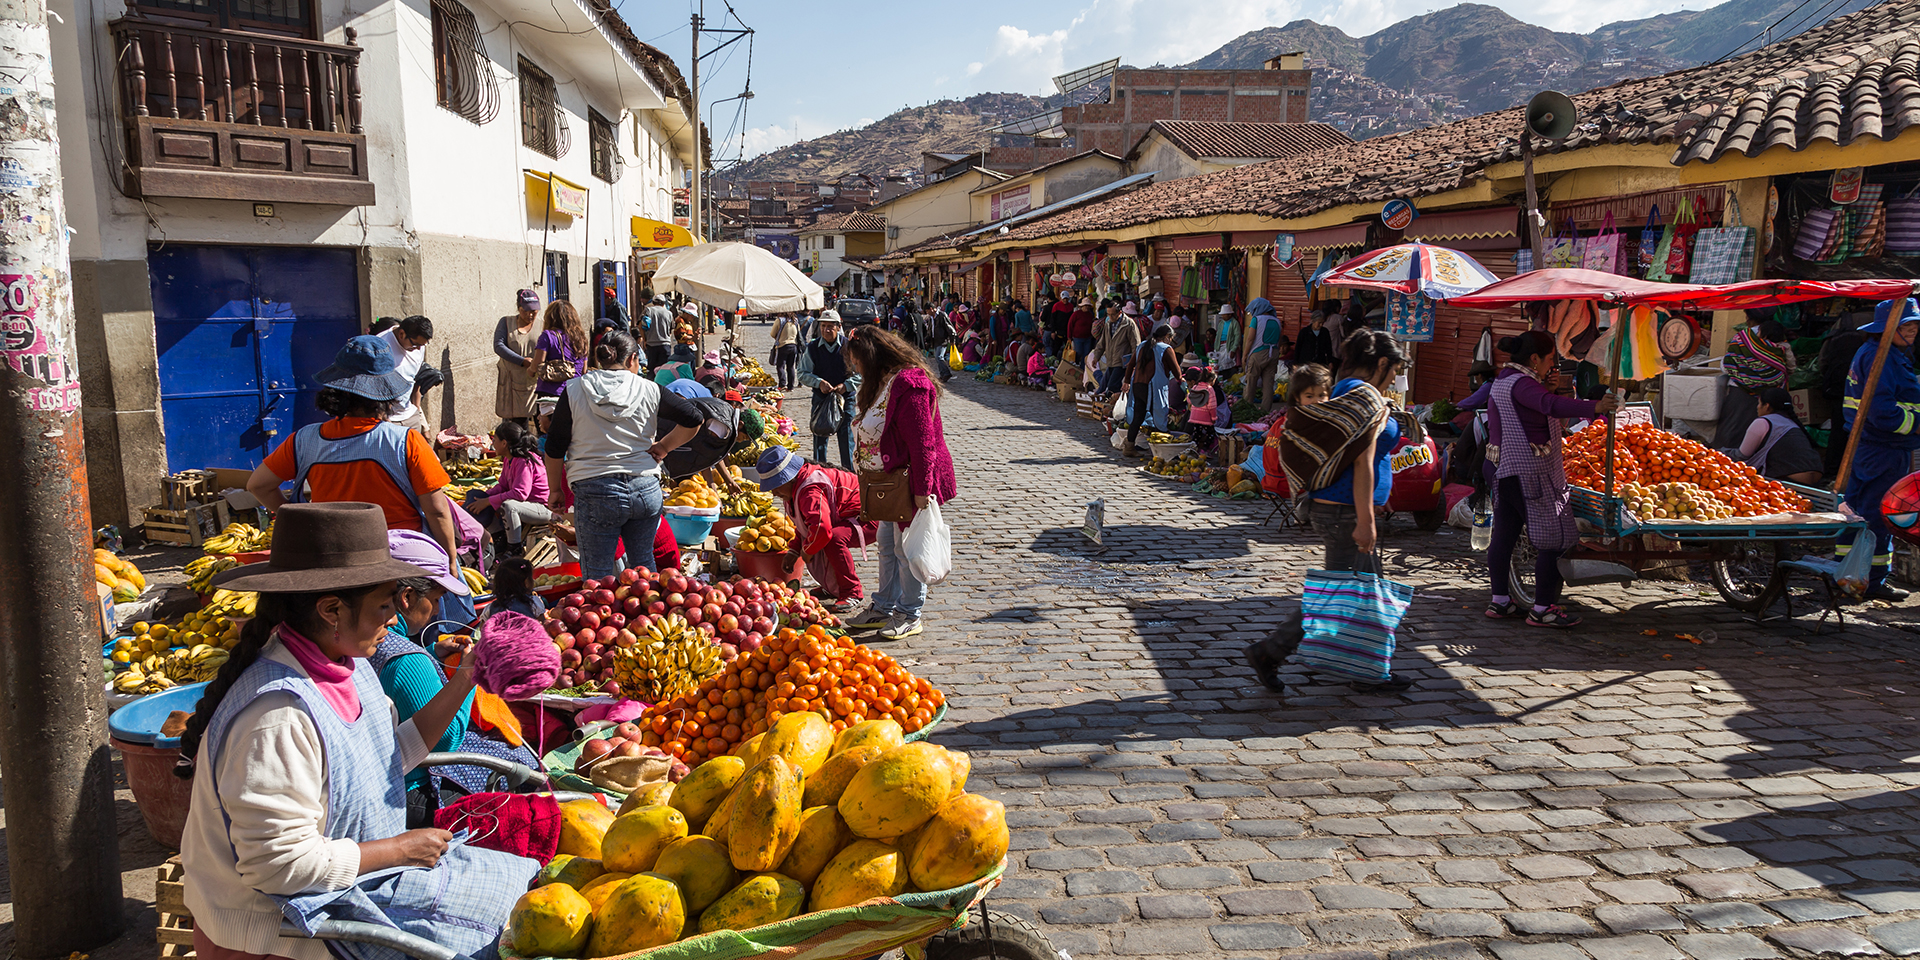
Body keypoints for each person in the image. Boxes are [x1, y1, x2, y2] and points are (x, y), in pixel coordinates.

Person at [174, 502, 536, 960]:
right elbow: (278, 867)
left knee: (516, 891)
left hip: (344, 894)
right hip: (279, 934)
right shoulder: (277, 717)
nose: (394, 616)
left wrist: (466, 674)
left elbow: (384, 757)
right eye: (385, 604)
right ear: (330, 609)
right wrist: (398, 849)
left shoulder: (349, 664)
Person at [1249, 332, 1421, 694]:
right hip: (1345, 512)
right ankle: (1271, 652)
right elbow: (1362, 464)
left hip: (1341, 507)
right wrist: (1366, 520)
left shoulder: (1345, 389)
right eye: (1393, 373)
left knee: (1353, 592)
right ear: (1382, 364)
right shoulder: (1362, 396)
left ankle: (1368, 669)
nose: (1393, 381)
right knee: (1338, 593)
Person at [250, 337, 460, 577]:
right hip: (400, 560)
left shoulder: (303, 440)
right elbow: (437, 511)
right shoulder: (406, 441)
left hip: (333, 558)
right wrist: (450, 561)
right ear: (385, 395)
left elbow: (258, 485)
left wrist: (298, 516)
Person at [373, 530, 536, 825]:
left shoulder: (362, 644)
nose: (437, 610)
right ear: (407, 598)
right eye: (435, 600)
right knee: (524, 764)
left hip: (385, 778)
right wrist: (466, 676)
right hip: (413, 793)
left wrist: (433, 650)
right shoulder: (408, 661)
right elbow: (443, 740)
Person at [1484, 331, 1620, 627]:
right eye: (1549, 361)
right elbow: (1550, 406)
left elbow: (1541, 405)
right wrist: (1595, 407)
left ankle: (1500, 601)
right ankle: (1543, 608)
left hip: (1503, 470)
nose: (1551, 367)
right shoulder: (1523, 385)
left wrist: (1549, 388)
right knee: (1554, 538)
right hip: (1528, 472)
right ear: (1534, 359)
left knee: (1504, 536)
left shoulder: (1506, 379)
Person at [543, 330, 703, 580]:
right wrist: (664, 446)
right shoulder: (649, 388)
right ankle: (650, 618)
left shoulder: (575, 389)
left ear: (598, 360)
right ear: (632, 360)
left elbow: (554, 446)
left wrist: (555, 489)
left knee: (597, 576)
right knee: (644, 570)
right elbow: (694, 418)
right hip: (644, 490)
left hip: (595, 491)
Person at [842, 325, 956, 641]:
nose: (854, 366)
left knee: (906, 549)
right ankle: (883, 606)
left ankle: (909, 613)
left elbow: (923, 444)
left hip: (909, 483)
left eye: (856, 359)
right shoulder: (880, 382)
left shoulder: (910, 385)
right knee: (888, 546)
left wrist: (923, 491)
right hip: (887, 483)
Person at [1839, 297, 1920, 601]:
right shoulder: (1881, 357)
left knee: (1858, 511)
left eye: (1914, 325)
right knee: (1878, 513)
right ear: (1888, 328)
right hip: (1882, 449)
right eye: (1906, 325)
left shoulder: (1882, 354)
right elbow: (1884, 413)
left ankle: (1847, 574)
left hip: (1872, 447)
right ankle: (1869, 582)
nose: (1912, 330)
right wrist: (1918, 422)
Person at [751, 447, 875, 612]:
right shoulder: (795, 488)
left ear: (788, 479)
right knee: (818, 539)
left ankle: (852, 592)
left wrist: (807, 552)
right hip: (848, 515)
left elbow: (821, 529)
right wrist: (794, 551)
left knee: (834, 539)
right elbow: (806, 523)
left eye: (776, 486)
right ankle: (832, 586)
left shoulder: (809, 490)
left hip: (872, 514)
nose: (774, 493)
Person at [464, 420, 551, 557]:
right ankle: (499, 537)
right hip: (525, 505)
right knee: (481, 497)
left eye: (495, 440)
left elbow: (520, 493)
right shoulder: (508, 459)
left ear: (504, 443)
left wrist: (488, 501)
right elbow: (503, 486)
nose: (493, 443)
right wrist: (483, 497)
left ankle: (514, 548)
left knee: (508, 505)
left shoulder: (523, 460)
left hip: (541, 508)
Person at [1714, 317, 1796, 449]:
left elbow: (1727, 365)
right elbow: (1790, 368)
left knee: (1732, 426)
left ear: (1763, 334)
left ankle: (1726, 456)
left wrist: (1746, 374)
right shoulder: (1783, 348)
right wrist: (1768, 375)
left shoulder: (1745, 345)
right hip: (1768, 393)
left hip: (1740, 391)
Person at [800, 310, 858, 469]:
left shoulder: (849, 346)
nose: (826, 330)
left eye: (830, 326)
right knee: (820, 437)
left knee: (846, 439)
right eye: (823, 326)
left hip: (846, 399)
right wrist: (818, 383)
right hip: (821, 399)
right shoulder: (813, 347)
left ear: (839, 327)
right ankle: (820, 472)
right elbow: (802, 373)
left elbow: (862, 374)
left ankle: (849, 474)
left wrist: (846, 385)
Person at [1729, 387, 1823, 485]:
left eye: (1759, 403)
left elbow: (1742, 455)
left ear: (1767, 406)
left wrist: (1718, 451)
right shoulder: (1792, 423)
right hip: (1816, 480)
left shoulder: (1763, 421)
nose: (1757, 407)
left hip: (1790, 480)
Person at [1123, 324, 1180, 458]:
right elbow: (1177, 371)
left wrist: (1126, 381)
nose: (1170, 341)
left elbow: (1130, 364)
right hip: (1153, 387)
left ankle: (1129, 446)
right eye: (1170, 338)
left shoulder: (1142, 345)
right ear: (1167, 337)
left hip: (1138, 385)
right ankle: (1163, 452)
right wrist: (1180, 380)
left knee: (1138, 416)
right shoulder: (1166, 349)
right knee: (1159, 416)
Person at [379, 315, 434, 436]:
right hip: (388, 419)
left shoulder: (419, 347)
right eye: (415, 345)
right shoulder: (380, 345)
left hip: (410, 415)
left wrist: (419, 416)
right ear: (402, 334)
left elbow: (414, 380)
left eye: (422, 345)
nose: (418, 349)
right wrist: (383, 417)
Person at [493, 290, 542, 424]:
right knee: (514, 423)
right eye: (525, 311)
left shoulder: (542, 326)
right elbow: (498, 346)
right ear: (519, 308)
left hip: (532, 383)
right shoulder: (506, 323)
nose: (530, 314)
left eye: (534, 311)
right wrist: (522, 361)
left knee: (536, 421)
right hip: (509, 381)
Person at [529, 300, 588, 404]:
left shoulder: (547, 336)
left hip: (550, 393)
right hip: (575, 393)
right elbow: (584, 370)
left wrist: (530, 370)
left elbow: (538, 364)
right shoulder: (581, 338)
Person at [1089, 299, 1143, 399]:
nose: (1110, 317)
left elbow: (1135, 345)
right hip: (1111, 360)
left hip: (1122, 362)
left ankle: (1114, 407)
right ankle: (1108, 405)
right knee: (1104, 386)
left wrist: (1134, 361)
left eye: (1113, 314)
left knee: (1112, 386)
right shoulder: (1108, 323)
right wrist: (1096, 357)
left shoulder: (1129, 324)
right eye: (1108, 314)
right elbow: (1102, 342)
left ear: (1120, 312)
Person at [1244, 298, 1288, 413]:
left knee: (1251, 383)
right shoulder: (1277, 321)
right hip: (1273, 354)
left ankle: (1248, 410)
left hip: (1258, 354)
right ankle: (1264, 412)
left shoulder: (1256, 320)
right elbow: (1279, 341)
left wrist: (1245, 355)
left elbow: (1250, 339)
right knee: (1268, 386)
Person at [488, 555, 546, 621]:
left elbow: (483, 627)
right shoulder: (533, 603)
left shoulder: (491, 607)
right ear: (526, 582)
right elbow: (542, 625)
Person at [1184, 366, 1219, 453]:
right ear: (1211, 380)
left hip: (1194, 417)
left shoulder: (1195, 387)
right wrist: (1214, 418)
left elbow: (1189, 400)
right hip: (1206, 418)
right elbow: (1212, 406)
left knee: (1197, 434)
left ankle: (1193, 449)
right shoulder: (1209, 389)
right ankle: (1205, 450)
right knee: (1210, 435)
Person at [642, 294, 675, 370]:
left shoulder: (648, 310)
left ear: (653, 302)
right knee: (664, 369)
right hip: (665, 344)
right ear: (664, 303)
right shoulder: (669, 313)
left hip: (651, 344)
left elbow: (642, 325)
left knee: (652, 370)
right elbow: (672, 326)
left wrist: (644, 340)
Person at [772, 313, 802, 389]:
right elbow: (797, 333)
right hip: (793, 345)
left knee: (780, 366)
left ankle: (782, 384)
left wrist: (778, 338)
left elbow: (772, 333)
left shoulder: (779, 320)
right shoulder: (795, 321)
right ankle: (790, 386)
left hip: (782, 345)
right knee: (791, 366)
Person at [1068, 298, 1097, 363]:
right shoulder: (1076, 314)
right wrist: (1069, 337)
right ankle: (1076, 365)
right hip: (1077, 338)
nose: (1086, 307)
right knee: (1078, 353)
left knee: (1086, 354)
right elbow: (1070, 324)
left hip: (1088, 338)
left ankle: (1083, 369)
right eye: (1085, 305)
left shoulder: (1090, 315)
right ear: (1082, 306)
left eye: (1088, 306)